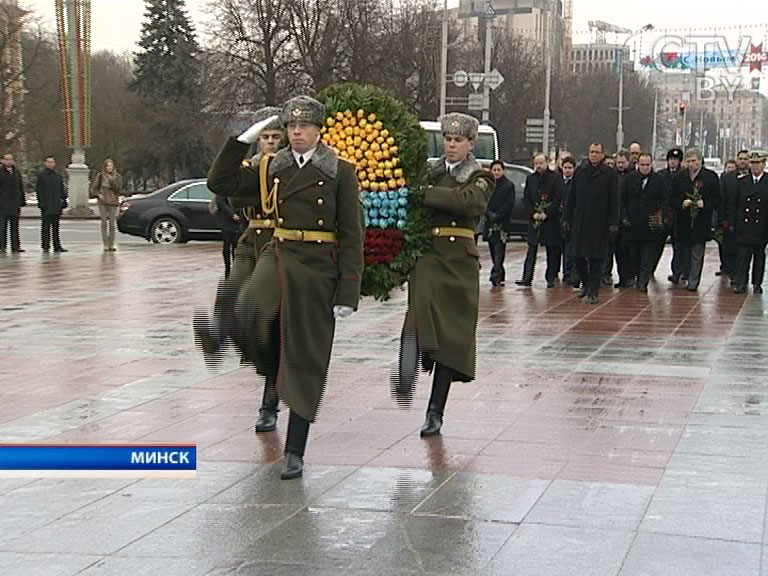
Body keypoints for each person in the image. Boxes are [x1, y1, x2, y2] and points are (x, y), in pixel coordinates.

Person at [206, 96, 363, 480]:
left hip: (316, 268)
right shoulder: (272, 168)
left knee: (306, 359)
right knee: (246, 312)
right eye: (291, 127)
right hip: (279, 255)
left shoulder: (340, 171)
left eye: (304, 127)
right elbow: (220, 183)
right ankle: (268, 369)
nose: (296, 132)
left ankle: (295, 449)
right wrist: (242, 140)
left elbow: (352, 233)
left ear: (318, 130)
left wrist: (347, 291)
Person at [396, 113, 493, 438]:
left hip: (459, 263)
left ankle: (435, 411)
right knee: (419, 312)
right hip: (429, 254)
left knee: (453, 337)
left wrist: (423, 193)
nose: (451, 146)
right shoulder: (430, 172)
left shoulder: (479, 175)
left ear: (470, 144)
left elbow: (468, 202)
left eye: (458, 141)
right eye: (448, 140)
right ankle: (408, 362)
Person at [195, 107, 285, 433]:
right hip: (252, 238)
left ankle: (270, 401)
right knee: (231, 292)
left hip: (282, 245)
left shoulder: (289, 168)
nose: (270, 144)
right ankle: (218, 335)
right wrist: (240, 142)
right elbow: (221, 184)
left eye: (277, 137)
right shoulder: (250, 169)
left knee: (270, 324)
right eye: (265, 137)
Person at [563, 143, 619, 305]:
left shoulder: (609, 174)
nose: (594, 155)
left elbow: (614, 200)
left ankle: (593, 291)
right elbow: (571, 197)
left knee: (596, 259)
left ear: (602, 155)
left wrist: (613, 223)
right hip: (580, 221)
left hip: (600, 222)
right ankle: (586, 285)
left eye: (597, 152)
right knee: (577, 256)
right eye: (591, 152)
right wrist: (566, 218)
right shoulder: (581, 171)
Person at [668, 148, 720, 291]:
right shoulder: (679, 177)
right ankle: (683, 274)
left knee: (697, 252)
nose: (691, 164)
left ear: (700, 161)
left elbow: (717, 199)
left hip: (700, 222)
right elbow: (671, 197)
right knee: (683, 251)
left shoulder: (710, 177)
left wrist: (705, 204)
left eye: (694, 161)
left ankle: (693, 281)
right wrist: (681, 204)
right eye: (689, 161)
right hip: (683, 221)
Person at [620, 152, 668, 292]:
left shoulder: (659, 180)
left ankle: (643, 282)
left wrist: (661, 216)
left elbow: (664, 201)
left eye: (647, 165)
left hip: (650, 226)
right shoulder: (629, 179)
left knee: (647, 257)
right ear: (637, 165)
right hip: (632, 226)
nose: (645, 167)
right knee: (633, 255)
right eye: (642, 165)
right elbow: (622, 200)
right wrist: (624, 217)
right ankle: (637, 275)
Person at [516, 152, 563, 288]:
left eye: (541, 163)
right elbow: (527, 199)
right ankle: (527, 278)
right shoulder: (531, 178)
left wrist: (547, 213)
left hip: (550, 220)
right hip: (534, 220)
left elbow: (558, 198)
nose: (538, 166)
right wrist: (532, 213)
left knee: (552, 250)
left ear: (547, 163)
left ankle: (551, 277)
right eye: (536, 163)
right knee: (531, 249)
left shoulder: (555, 178)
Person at [729, 151, 768, 294]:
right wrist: (733, 223)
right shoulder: (742, 182)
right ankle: (740, 282)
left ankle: (757, 283)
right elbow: (734, 204)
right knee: (742, 257)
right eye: (753, 163)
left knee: (759, 256)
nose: (755, 167)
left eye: (758, 163)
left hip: (761, 226)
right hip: (744, 226)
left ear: (764, 164)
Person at [604, 149, 635, 288]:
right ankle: (609, 275)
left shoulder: (633, 176)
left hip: (627, 219)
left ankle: (628, 276)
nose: (620, 165)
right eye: (619, 162)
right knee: (613, 250)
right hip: (613, 218)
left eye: (623, 162)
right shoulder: (612, 176)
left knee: (626, 251)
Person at [717, 150, 749, 280]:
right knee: (729, 250)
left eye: (745, 159)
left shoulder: (753, 177)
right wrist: (722, 219)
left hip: (747, 221)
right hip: (730, 221)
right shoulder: (727, 178)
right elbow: (722, 199)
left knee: (744, 252)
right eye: (740, 158)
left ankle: (741, 275)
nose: (742, 161)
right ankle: (733, 274)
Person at [482, 160, 515, 286]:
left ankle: (495, 274)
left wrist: (499, 215)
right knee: (492, 248)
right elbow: (483, 200)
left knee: (499, 248)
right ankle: (499, 272)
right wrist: (488, 213)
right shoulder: (488, 185)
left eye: (499, 170)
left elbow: (509, 203)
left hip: (503, 223)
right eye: (494, 170)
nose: (496, 172)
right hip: (489, 221)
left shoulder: (508, 185)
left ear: (503, 171)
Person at [656, 148, 683, 277]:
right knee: (656, 244)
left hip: (678, 216)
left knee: (678, 246)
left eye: (675, 160)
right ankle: (649, 269)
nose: (673, 162)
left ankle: (677, 272)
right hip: (662, 214)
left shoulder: (683, 175)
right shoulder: (660, 175)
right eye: (671, 159)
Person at [35, 156, 68, 253]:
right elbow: (39, 191)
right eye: (48, 162)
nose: (50, 164)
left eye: (52, 162)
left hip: (56, 205)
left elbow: (61, 190)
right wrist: (41, 203)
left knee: (56, 227)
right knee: (46, 227)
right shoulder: (41, 176)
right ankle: (45, 246)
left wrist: (64, 200)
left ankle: (57, 245)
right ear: (45, 163)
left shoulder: (57, 176)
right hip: (46, 205)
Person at [90, 159, 122, 251]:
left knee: (112, 224)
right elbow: (93, 189)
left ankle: (111, 244)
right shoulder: (100, 176)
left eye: (111, 166)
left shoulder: (117, 176)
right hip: (103, 202)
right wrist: (99, 195)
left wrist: (112, 181)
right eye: (107, 166)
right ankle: (105, 244)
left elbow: (118, 189)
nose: (109, 168)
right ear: (105, 167)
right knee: (104, 223)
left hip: (113, 202)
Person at [0, 152, 26, 253]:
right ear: (2, 161)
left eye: (10, 159)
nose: (9, 161)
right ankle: (2, 246)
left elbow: (20, 187)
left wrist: (22, 201)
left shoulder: (16, 172)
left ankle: (15, 246)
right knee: (2, 227)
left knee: (15, 227)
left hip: (14, 203)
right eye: (6, 159)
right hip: (3, 203)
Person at [560, 156, 578, 286]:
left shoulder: (576, 182)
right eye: (565, 168)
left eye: (569, 168)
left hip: (573, 219)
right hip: (559, 219)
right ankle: (565, 273)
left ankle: (571, 273)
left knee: (571, 248)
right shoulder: (558, 182)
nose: (567, 171)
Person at [214, 194, 240, 278]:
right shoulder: (223, 189)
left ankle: (236, 267)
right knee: (227, 245)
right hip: (226, 221)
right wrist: (232, 214)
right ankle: (228, 268)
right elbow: (220, 202)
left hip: (238, 222)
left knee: (236, 245)